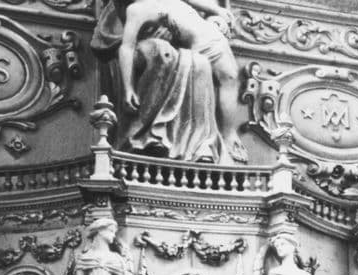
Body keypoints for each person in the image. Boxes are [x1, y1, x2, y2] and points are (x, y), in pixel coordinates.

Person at [93, 0, 246, 162]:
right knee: (200, 66)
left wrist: (216, 12)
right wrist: (128, 87)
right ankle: (168, 138)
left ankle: (225, 136)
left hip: (211, 36)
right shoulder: (137, 9)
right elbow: (126, 47)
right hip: (196, 47)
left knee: (229, 76)